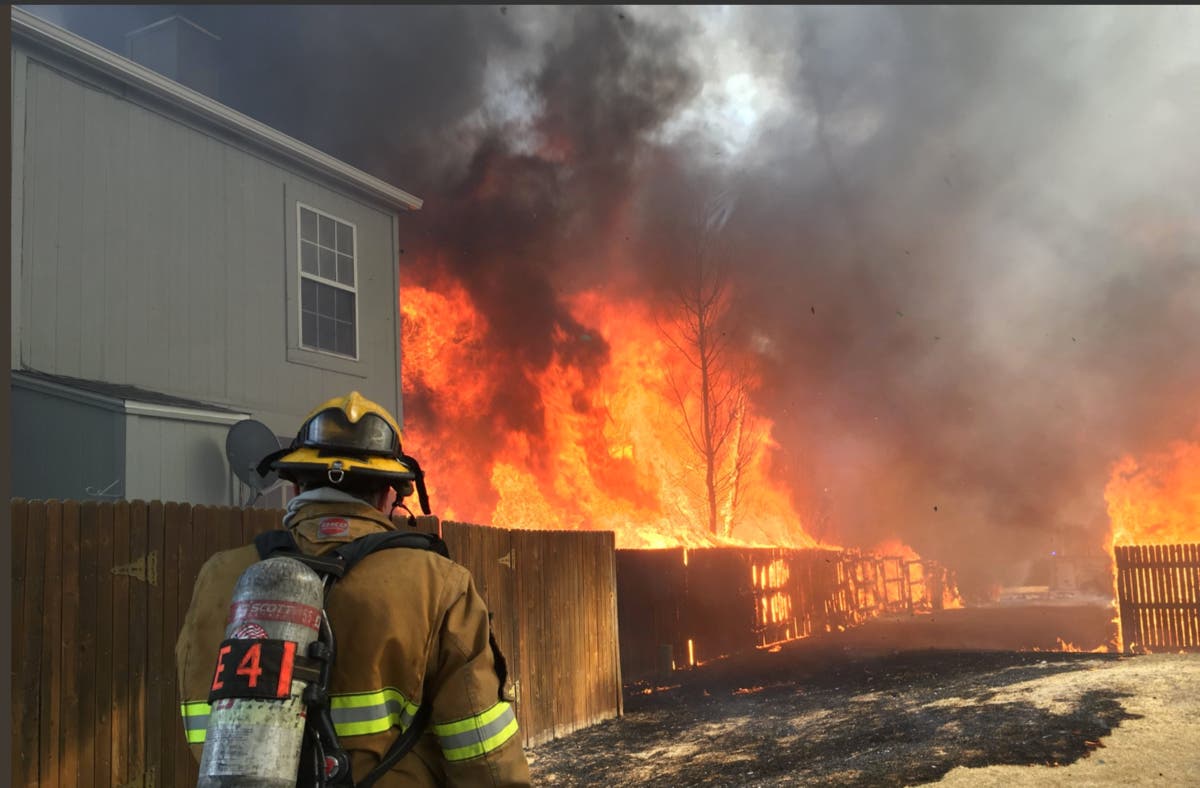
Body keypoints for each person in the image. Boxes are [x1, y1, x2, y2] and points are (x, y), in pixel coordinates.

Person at [175, 391, 532, 786]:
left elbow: (202, 727)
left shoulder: (221, 576)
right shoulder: (439, 585)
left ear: (296, 489)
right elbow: (484, 756)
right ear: (388, 495)